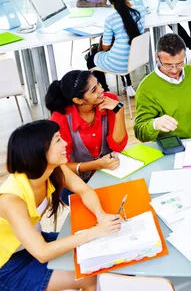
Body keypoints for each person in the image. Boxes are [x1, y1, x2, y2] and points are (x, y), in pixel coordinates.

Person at [0, 120, 122, 291]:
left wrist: (100, 214)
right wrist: (96, 231)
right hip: (9, 265)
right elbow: (42, 253)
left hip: (34, 244)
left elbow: (84, 190)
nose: (65, 143)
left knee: (98, 253)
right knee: (88, 275)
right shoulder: (11, 200)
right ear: (38, 151)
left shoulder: (53, 169)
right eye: (58, 140)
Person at [134, 33, 191, 141]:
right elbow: (140, 131)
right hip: (172, 147)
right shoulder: (146, 88)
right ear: (157, 57)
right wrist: (154, 124)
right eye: (168, 65)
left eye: (180, 63)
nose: (175, 70)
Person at [46, 70, 127, 184]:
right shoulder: (61, 118)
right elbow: (60, 167)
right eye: (94, 90)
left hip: (110, 173)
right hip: (76, 180)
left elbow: (117, 146)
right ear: (78, 100)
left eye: (98, 83)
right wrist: (96, 165)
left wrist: (119, 110)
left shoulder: (110, 101)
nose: (102, 90)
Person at [87, 0, 145, 97]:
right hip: (135, 58)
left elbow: (106, 48)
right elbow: (129, 15)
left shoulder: (111, 19)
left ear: (109, 1)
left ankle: (105, 90)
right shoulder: (140, 11)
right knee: (123, 49)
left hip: (119, 63)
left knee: (91, 59)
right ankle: (128, 86)